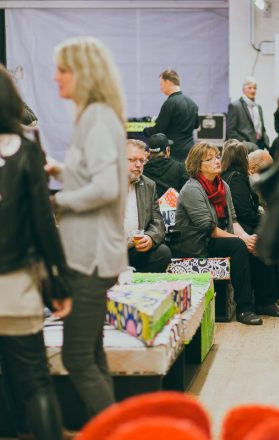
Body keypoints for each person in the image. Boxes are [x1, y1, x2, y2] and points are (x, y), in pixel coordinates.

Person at [46, 36, 127, 420]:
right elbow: (95, 174)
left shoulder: (97, 117)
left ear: (83, 73)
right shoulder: (94, 116)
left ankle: (118, 432)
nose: (56, 77)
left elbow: (106, 187)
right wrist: (61, 170)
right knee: (92, 355)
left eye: (63, 70)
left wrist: (57, 200)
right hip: (92, 255)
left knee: (77, 358)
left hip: (89, 258)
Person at [0, 64, 72, 440]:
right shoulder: (26, 150)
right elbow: (43, 224)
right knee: (34, 379)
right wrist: (58, 283)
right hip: (14, 282)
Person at [175, 142, 262, 325]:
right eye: (210, 158)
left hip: (217, 238)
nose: (217, 161)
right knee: (238, 246)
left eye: (217, 156)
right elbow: (208, 228)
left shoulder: (222, 185)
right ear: (198, 165)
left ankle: (266, 301)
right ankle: (245, 309)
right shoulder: (192, 189)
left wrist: (247, 238)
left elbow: (234, 220)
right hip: (198, 243)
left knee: (256, 240)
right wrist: (241, 240)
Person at [221, 141, 279, 318]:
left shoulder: (229, 178)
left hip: (235, 226)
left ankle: (265, 300)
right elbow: (244, 211)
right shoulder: (237, 179)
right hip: (239, 227)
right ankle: (266, 301)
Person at [126, 138, 172, 272]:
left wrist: (150, 237)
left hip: (134, 249)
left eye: (142, 161)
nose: (138, 165)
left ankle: (138, 286)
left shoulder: (148, 185)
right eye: (132, 160)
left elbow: (157, 221)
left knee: (163, 253)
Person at [143, 69, 199, 162]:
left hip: (174, 153)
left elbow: (159, 130)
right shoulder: (192, 103)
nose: (160, 88)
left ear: (168, 82)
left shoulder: (170, 103)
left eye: (161, 84)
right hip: (190, 151)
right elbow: (196, 125)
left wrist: (145, 130)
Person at [226, 76, 270, 150]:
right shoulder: (235, 106)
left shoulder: (258, 107)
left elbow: (262, 128)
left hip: (260, 145)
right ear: (243, 89)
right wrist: (244, 143)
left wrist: (266, 141)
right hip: (245, 147)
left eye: (255, 88)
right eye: (250, 88)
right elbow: (230, 130)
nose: (253, 90)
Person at [143, 133, 189, 198]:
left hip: (148, 207)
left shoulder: (142, 169)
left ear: (149, 152)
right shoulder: (179, 168)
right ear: (167, 150)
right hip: (173, 207)